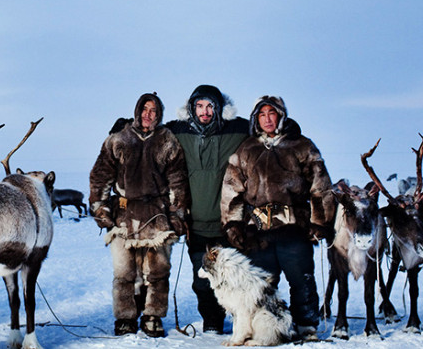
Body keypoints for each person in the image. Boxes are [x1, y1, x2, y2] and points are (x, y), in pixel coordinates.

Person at [220, 96, 336, 341]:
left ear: (281, 115)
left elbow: (321, 187)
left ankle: (306, 326)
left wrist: (319, 222)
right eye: (262, 115)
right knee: (261, 285)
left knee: (301, 279)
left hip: (294, 227)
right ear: (256, 119)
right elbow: (232, 189)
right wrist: (233, 224)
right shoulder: (246, 149)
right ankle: (266, 328)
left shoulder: (302, 146)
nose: (267, 119)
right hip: (258, 231)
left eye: (271, 113)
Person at [89, 92, 190, 338]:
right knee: (124, 271)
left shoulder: (167, 141)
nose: (148, 114)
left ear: (159, 114)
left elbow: (178, 181)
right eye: (145, 109)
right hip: (124, 215)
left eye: (153, 110)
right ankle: (125, 317)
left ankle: (152, 316)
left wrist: (177, 214)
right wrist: (100, 208)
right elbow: (101, 176)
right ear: (137, 111)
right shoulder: (119, 139)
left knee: (157, 270)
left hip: (157, 215)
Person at [164, 84, 249, 334]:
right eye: (199, 106)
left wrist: (291, 127)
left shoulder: (237, 130)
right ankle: (212, 321)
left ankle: (239, 320)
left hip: (228, 223)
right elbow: (149, 133)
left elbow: (267, 127)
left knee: (231, 277)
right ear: (191, 108)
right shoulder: (178, 132)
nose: (205, 111)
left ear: (219, 108)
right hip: (196, 224)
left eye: (210, 106)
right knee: (202, 279)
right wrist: (123, 128)